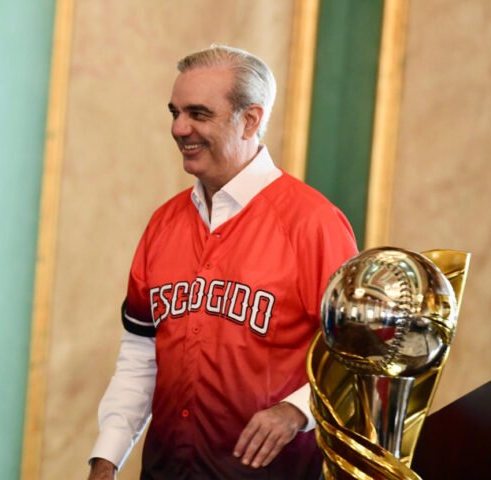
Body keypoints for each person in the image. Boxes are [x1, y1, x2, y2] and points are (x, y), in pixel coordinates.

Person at [88, 45, 357, 480]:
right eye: (175, 112)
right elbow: (140, 353)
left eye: (198, 114)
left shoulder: (314, 224)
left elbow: (358, 357)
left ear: (250, 120)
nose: (179, 128)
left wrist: (296, 411)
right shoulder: (163, 224)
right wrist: (107, 458)